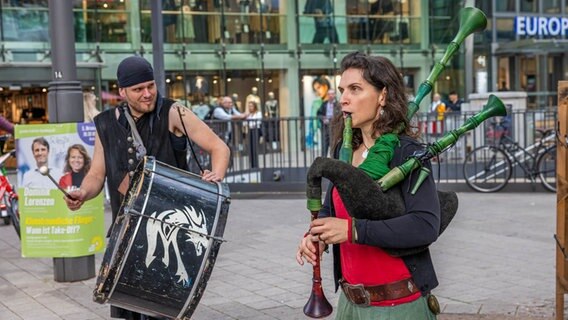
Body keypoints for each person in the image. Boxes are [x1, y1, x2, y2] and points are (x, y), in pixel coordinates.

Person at [63, 56, 230, 320]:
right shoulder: (105, 123)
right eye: (138, 89)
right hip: (126, 235)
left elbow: (219, 147)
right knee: (126, 311)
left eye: (150, 85)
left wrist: (216, 175)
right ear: (122, 92)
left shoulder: (174, 112)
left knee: (162, 312)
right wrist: (83, 193)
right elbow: (96, 173)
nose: (147, 93)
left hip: (168, 237)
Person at [296, 52, 440, 320]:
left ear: (382, 96)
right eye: (342, 90)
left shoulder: (407, 152)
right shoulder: (344, 149)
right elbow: (331, 208)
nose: (344, 99)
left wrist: (353, 230)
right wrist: (316, 237)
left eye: (355, 89)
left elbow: (424, 225)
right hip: (350, 306)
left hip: (398, 307)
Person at [317, 88, 339, 157]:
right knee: (324, 146)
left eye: (332, 94)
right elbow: (319, 113)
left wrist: (334, 120)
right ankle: (324, 162)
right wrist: (323, 119)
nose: (330, 96)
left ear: (335, 95)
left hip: (334, 128)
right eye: (329, 94)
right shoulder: (324, 104)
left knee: (333, 146)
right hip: (325, 128)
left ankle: (333, 162)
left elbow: (340, 115)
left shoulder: (338, 105)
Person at [245, 100, 262, 168]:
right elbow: (245, 123)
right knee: (250, 147)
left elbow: (258, 122)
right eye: (249, 106)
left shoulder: (258, 113)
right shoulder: (248, 114)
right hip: (250, 130)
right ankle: (251, 164)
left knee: (254, 147)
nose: (250, 108)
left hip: (256, 130)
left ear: (254, 106)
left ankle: (255, 164)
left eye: (251, 106)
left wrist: (251, 123)